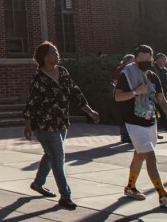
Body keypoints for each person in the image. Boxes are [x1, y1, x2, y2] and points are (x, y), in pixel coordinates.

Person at [23, 42, 100, 210]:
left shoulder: (63, 72)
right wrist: (28, 124)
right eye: (54, 52)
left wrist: (90, 111)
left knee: (51, 155)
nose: (57, 54)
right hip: (44, 125)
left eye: (57, 51)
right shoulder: (39, 78)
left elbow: (75, 93)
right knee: (58, 159)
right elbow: (32, 101)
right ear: (44, 57)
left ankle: (37, 184)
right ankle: (65, 196)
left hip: (61, 122)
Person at [115, 44, 167, 207]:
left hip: (150, 120)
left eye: (148, 58)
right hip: (133, 122)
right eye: (141, 58)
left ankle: (130, 187)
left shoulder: (153, 76)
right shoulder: (127, 74)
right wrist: (136, 92)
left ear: (152, 59)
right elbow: (117, 96)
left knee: (139, 155)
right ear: (136, 59)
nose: (145, 61)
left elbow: (161, 99)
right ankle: (162, 194)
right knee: (150, 156)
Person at [113, 54, 135, 143]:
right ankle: (125, 135)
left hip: (129, 95)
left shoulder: (131, 69)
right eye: (132, 61)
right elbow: (116, 82)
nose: (134, 62)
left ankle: (129, 135)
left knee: (128, 114)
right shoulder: (121, 69)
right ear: (127, 61)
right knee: (123, 115)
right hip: (122, 95)